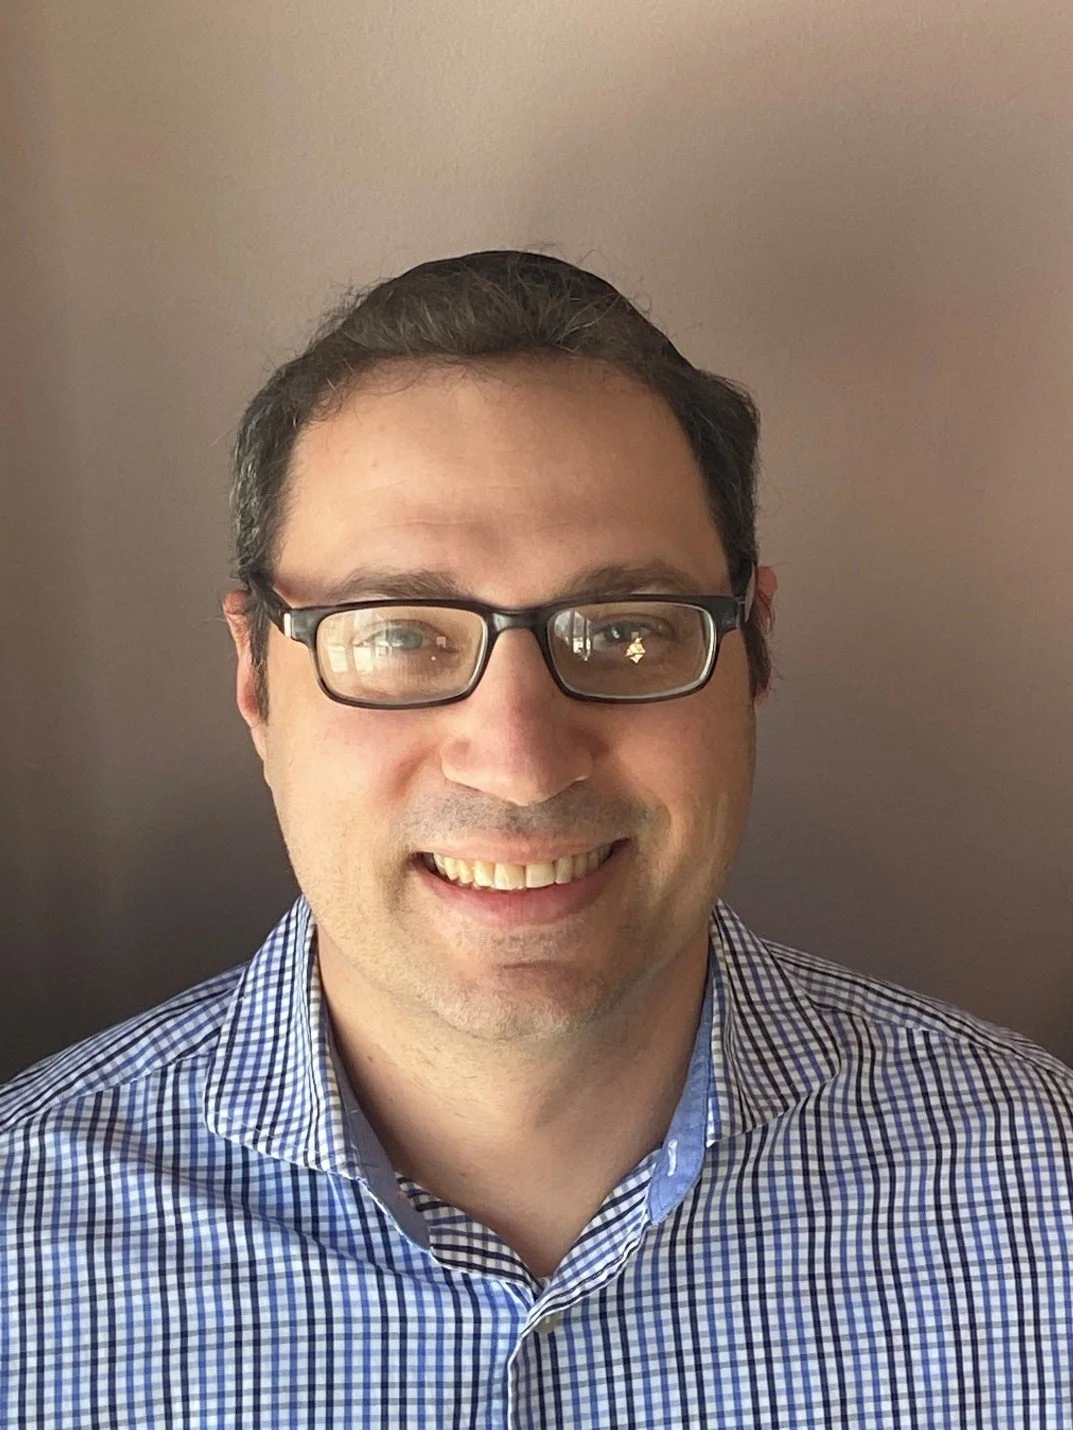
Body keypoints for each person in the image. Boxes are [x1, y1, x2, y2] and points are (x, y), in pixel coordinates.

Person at [2, 251, 1070, 1429]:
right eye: (398, 634)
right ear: (255, 677)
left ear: (752, 648)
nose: (518, 760)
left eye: (623, 631)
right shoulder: (21, 1232)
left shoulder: (1044, 1188)